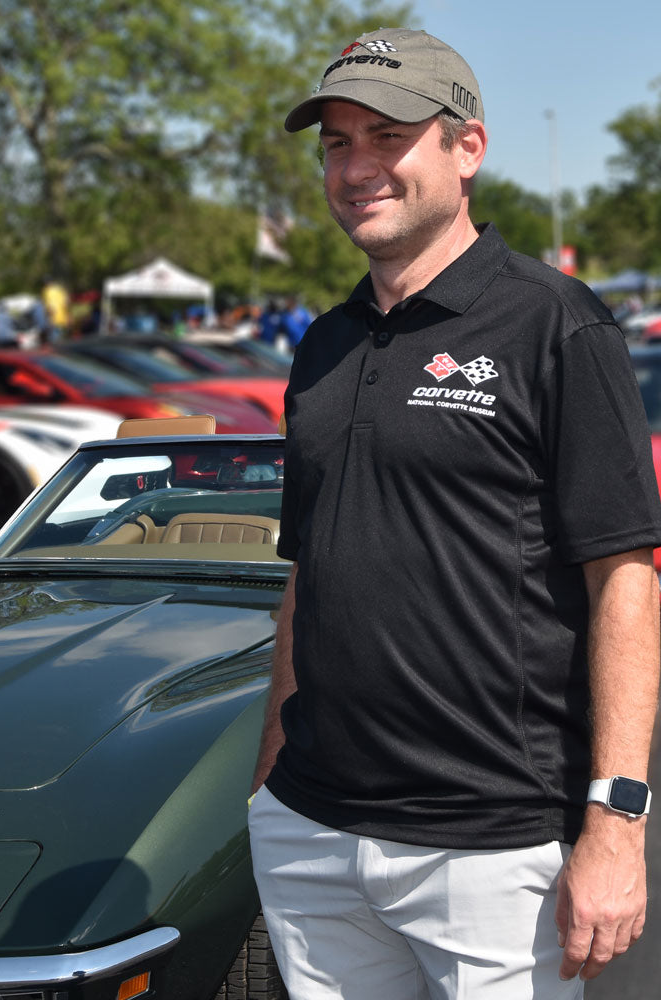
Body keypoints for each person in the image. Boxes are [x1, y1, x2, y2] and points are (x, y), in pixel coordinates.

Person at [248, 27, 661, 1000]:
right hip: (314, 832)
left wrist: (615, 823)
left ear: (464, 149)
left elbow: (625, 585)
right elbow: (306, 579)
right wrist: (268, 781)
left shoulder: (556, 324)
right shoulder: (324, 344)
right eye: (336, 143)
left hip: (489, 848)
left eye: (387, 137)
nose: (356, 168)